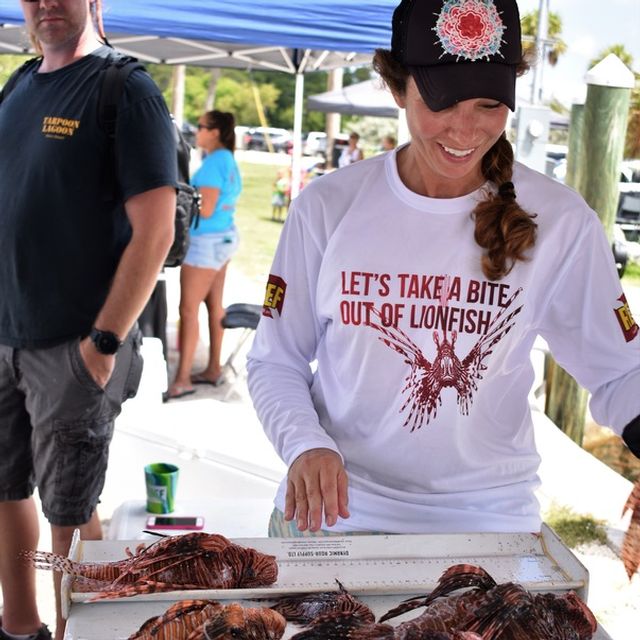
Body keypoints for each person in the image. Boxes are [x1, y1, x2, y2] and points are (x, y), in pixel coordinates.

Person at [247, 0, 640, 539]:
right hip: (338, 513)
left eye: (487, 103)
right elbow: (275, 359)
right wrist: (305, 444)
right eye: (443, 101)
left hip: (489, 519)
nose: (466, 128)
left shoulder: (561, 220)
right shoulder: (327, 206)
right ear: (396, 86)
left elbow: (619, 369)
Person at [0, 1, 176, 639]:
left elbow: (156, 230)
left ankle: (82, 635)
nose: (46, 3)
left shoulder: (123, 89)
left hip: (75, 345)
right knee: (6, 489)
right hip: (6, 335)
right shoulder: (19, 84)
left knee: (69, 515)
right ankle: (20, 626)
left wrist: (102, 343)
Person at [166, 110, 242, 399]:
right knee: (215, 308)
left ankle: (182, 379)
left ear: (215, 132)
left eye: (200, 127)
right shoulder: (227, 160)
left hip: (205, 243)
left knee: (187, 311)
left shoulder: (213, 165)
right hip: (223, 237)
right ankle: (212, 369)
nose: (195, 131)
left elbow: (205, 208)